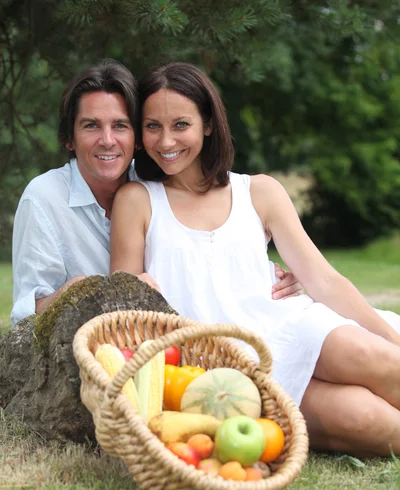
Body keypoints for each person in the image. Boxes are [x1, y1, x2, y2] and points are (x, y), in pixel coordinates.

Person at [110, 61, 400, 458]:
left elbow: (325, 281)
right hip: (228, 369)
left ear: (208, 124)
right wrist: (134, 288)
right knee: (367, 421)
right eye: (152, 126)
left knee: (375, 356)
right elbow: (122, 308)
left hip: (292, 325)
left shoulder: (259, 192)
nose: (165, 141)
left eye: (181, 124)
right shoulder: (137, 200)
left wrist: (391, 340)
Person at [11, 60, 300, 327]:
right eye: (91, 126)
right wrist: (72, 292)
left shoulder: (159, 183)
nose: (108, 140)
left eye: (121, 126)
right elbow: (24, 317)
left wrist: (275, 277)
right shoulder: (44, 199)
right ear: (69, 139)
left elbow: (208, 247)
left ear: (137, 137)